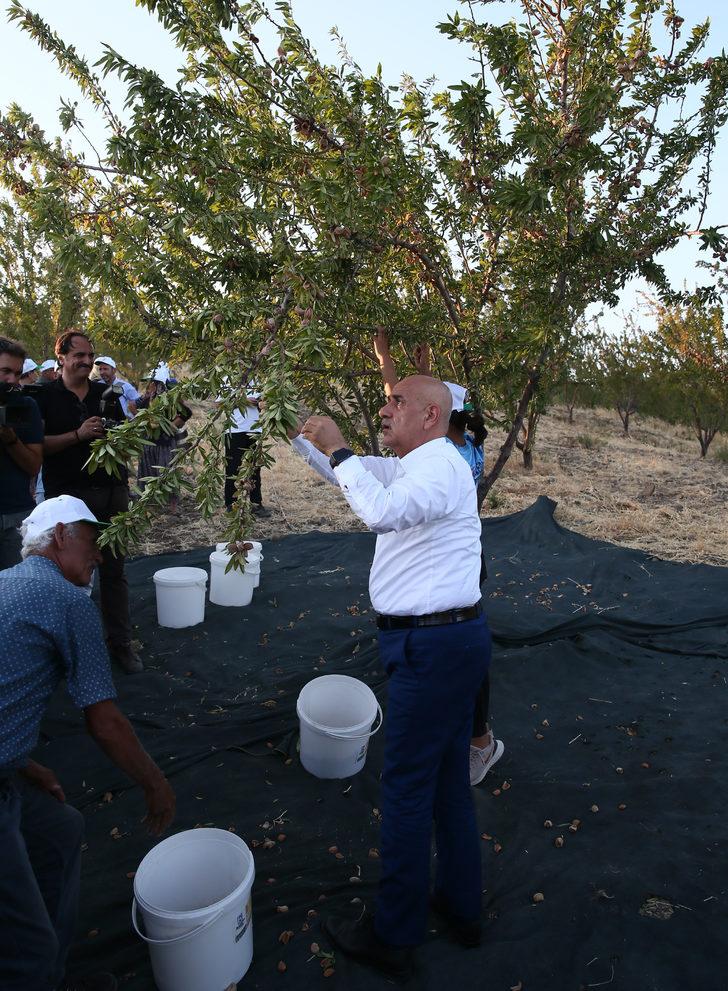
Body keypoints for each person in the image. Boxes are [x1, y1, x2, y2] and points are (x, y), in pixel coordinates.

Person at [291, 375, 491, 979]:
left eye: (397, 402)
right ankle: (461, 909)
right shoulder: (415, 463)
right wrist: (295, 424)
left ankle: (394, 933)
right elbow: (345, 473)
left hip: (432, 649)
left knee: (405, 788)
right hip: (444, 644)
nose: (384, 409)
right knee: (447, 779)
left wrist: (343, 449)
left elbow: (377, 511)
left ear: (432, 415)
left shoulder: (438, 467)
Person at [0, 495, 176, 991]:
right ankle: (36, 968)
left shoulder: (7, 583)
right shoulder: (68, 601)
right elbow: (105, 722)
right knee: (25, 952)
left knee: (59, 829)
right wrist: (155, 783)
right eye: (92, 541)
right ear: (59, 537)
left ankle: (48, 969)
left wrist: (24, 765)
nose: (100, 554)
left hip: (8, 771)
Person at [373, 331, 504, 786]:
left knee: (462, 643)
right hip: (446, 546)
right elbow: (411, 401)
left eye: (406, 404)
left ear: (440, 416)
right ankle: (464, 741)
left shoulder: (452, 455)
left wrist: (396, 369)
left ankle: (479, 740)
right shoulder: (440, 447)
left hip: (454, 556)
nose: (393, 409)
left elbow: (386, 509)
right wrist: (395, 364)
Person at [33, 330, 143, 674]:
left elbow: (124, 438)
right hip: (69, 499)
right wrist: (77, 435)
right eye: (78, 355)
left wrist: (125, 436)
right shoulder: (44, 396)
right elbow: (36, 448)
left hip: (111, 493)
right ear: (61, 357)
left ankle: (120, 645)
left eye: (90, 356)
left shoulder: (105, 393)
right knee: (68, 576)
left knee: (114, 571)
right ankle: (69, 651)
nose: (85, 362)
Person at [0, 337, 43, 570]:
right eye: (5, 371)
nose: (12, 380)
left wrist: (11, 439)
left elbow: (34, 466)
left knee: (14, 594)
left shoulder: (25, 406)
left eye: (17, 373)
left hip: (16, 516)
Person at [136, 369, 192, 513]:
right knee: (147, 473)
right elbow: (138, 411)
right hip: (149, 441)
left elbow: (186, 412)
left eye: (153, 382)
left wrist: (172, 425)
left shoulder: (170, 397)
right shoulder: (148, 397)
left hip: (166, 442)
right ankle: (150, 505)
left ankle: (172, 506)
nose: (150, 385)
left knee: (167, 473)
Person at [220, 380, 269, 517]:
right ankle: (231, 504)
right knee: (232, 468)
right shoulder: (227, 378)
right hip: (234, 431)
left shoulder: (258, 380)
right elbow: (219, 403)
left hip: (255, 430)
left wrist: (261, 403)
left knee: (254, 469)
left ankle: (256, 503)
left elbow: (265, 402)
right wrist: (243, 401)